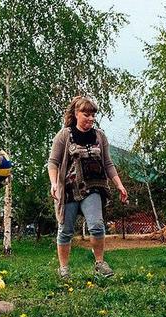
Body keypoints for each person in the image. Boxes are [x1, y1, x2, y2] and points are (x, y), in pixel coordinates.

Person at [47, 96, 128, 279]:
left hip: (93, 188)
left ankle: (100, 264)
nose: (91, 119)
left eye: (93, 115)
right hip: (68, 190)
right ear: (76, 114)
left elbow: (108, 164)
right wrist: (54, 183)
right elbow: (53, 163)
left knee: (97, 226)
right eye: (86, 114)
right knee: (66, 230)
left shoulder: (100, 136)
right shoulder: (64, 135)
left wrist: (119, 185)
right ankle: (64, 269)